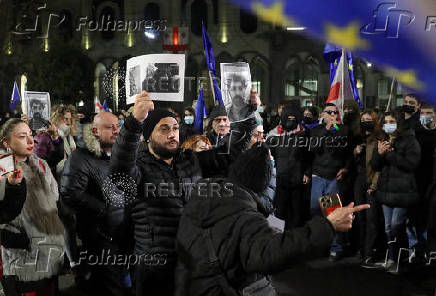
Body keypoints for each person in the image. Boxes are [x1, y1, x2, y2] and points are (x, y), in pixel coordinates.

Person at [110, 90, 258, 296]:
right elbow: (119, 171)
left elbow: (230, 152)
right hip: (156, 268)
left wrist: (247, 116)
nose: (172, 134)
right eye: (163, 129)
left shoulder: (191, 160)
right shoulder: (139, 169)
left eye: (175, 128)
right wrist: (134, 122)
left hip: (194, 263)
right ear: (147, 136)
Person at [175, 145, 370, 296]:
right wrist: (328, 225)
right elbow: (272, 253)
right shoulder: (245, 216)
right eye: (273, 168)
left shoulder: (202, 197)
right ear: (265, 181)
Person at [59, 112, 130, 296]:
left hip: (123, 234)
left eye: (117, 125)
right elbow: (70, 192)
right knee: (110, 286)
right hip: (99, 236)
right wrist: (104, 210)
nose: (116, 130)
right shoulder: (80, 157)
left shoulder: (121, 154)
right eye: (109, 127)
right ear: (95, 131)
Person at [0, 119, 65, 296]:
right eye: (22, 137)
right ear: (6, 142)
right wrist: (16, 238)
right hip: (24, 257)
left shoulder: (41, 164)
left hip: (51, 250)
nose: (30, 141)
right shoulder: (2, 169)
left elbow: (54, 198)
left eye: (31, 135)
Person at [371, 111, 421, 274]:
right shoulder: (382, 140)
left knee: (395, 226)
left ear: (399, 123)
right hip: (386, 192)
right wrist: (379, 154)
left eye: (392, 121)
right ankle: (391, 258)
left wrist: (390, 154)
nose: (388, 124)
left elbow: (411, 164)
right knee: (387, 227)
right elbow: (376, 166)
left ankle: (404, 257)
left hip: (403, 193)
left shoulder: (410, 140)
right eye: (385, 121)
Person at [309, 103, 352, 261]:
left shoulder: (342, 130)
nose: (333, 114)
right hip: (318, 175)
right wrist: (326, 130)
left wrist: (346, 168)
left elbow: (347, 153)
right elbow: (314, 149)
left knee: (333, 212)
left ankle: (336, 247)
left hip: (333, 177)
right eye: (330, 112)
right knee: (315, 211)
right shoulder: (316, 130)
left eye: (335, 112)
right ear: (323, 114)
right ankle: (317, 245)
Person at [266, 105, 311, 229]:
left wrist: (307, 172)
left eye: (293, 118)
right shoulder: (274, 134)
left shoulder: (304, 134)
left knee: (296, 210)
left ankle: (294, 238)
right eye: (288, 118)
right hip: (280, 179)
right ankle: (278, 236)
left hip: (297, 178)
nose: (291, 121)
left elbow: (308, 155)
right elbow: (269, 155)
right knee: (279, 210)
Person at [353, 110, 386, 268]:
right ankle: (362, 250)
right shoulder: (358, 136)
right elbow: (352, 160)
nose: (365, 121)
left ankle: (369, 254)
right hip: (359, 180)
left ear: (374, 121)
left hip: (371, 181)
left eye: (368, 119)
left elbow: (380, 165)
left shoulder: (379, 137)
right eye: (363, 119)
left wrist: (374, 184)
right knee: (360, 218)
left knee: (372, 218)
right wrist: (355, 151)